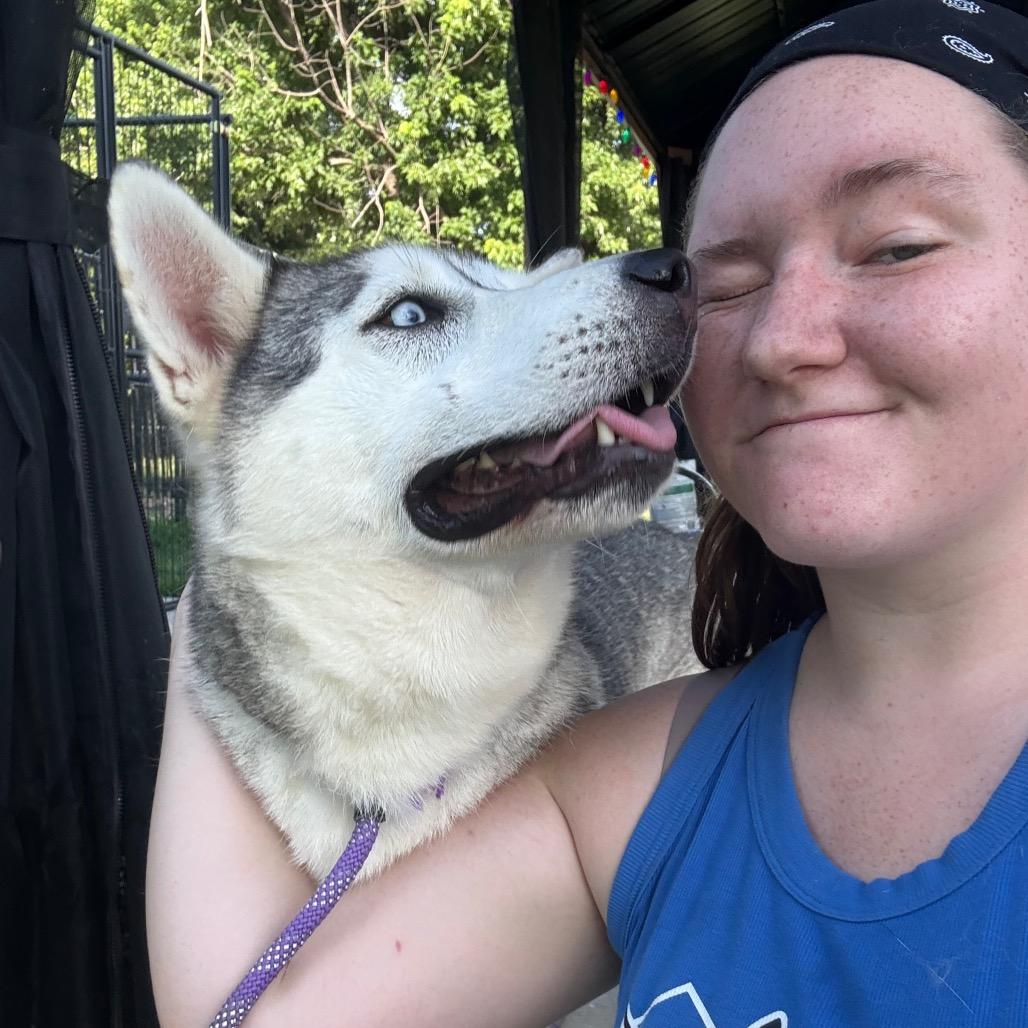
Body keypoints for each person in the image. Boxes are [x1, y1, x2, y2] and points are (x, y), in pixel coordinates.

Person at [146, 1, 1028, 1024]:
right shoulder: (637, 781)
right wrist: (234, 534)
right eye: (727, 284)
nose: (782, 338)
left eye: (895, 247)